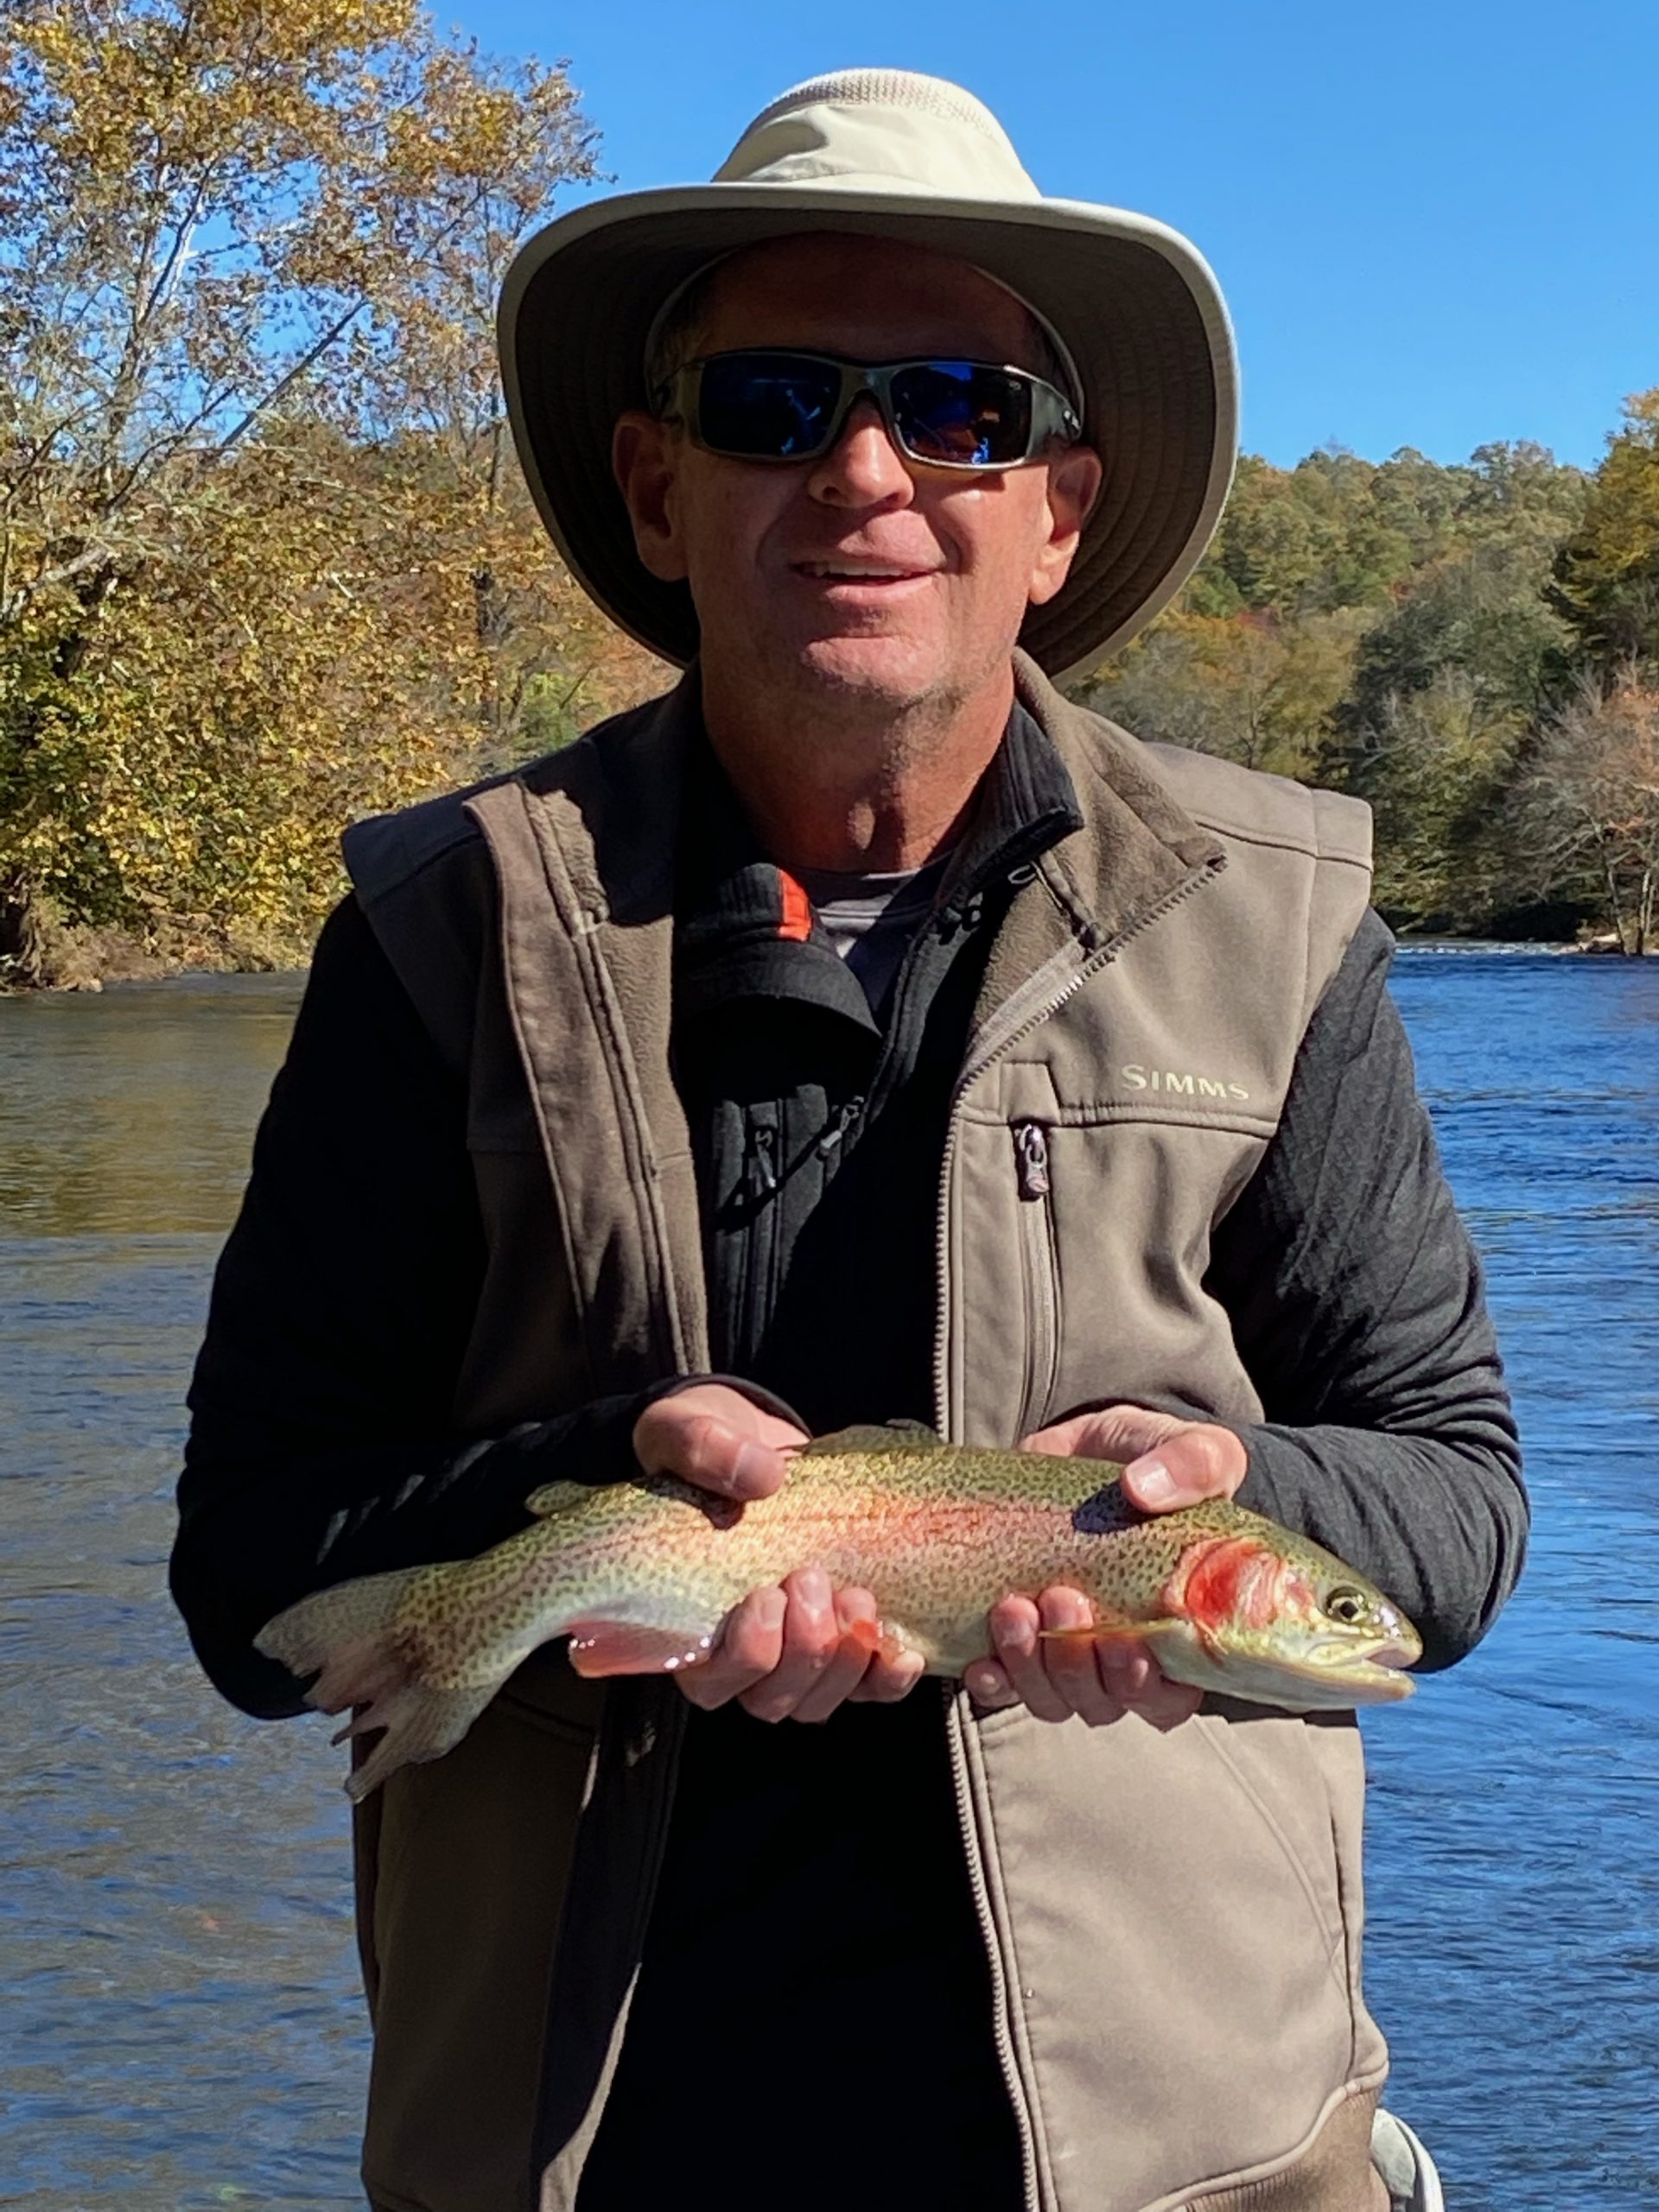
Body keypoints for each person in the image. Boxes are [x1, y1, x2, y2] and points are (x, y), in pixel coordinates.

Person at [171, 69, 1522, 2212]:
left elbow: (1457, 1503)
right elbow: (250, 1572)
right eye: (777, 403)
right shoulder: (443, 928)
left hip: (1194, 2157)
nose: (870, 471)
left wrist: (1227, 1487)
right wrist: (609, 1495)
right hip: (589, 2150)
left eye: (961, 409)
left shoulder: (1277, 922)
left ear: (1057, 509)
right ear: (658, 486)